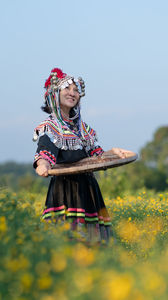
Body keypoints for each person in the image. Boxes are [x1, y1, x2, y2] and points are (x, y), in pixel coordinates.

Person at [33, 68, 128, 244]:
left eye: (76, 90)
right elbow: (45, 151)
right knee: (67, 243)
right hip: (66, 190)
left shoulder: (83, 129)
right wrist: (42, 164)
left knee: (94, 245)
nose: (72, 93)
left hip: (89, 189)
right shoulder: (50, 126)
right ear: (54, 94)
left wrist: (112, 152)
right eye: (67, 89)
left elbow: (96, 155)